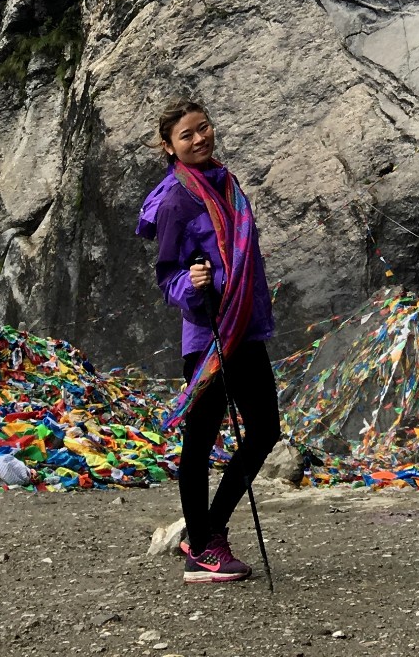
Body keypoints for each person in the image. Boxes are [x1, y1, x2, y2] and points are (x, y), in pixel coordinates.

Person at [136, 99, 280, 583]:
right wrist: (192, 282)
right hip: (208, 337)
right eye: (186, 135)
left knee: (264, 432)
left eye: (204, 128)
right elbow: (168, 277)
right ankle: (202, 550)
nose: (199, 139)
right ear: (168, 146)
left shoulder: (226, 183)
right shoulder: (178, 199)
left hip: (245, 327)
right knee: (199, 440)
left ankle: (207, 530)